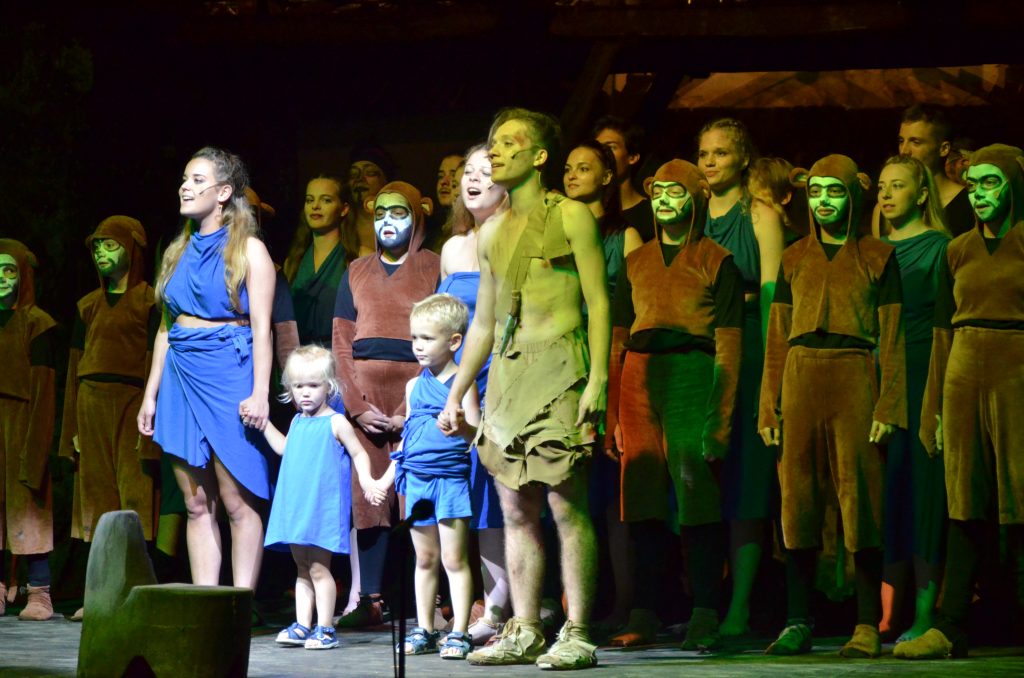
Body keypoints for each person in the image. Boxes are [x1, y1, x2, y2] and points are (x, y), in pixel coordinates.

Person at [440, 107, 610, 670]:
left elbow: (598, 301)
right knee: (515, 508)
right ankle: (527, 627)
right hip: (509, 374)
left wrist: (598, 378)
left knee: (566, 503)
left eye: (510, 143)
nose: (496, 151)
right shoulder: (491, 231)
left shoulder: (572, 216)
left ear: (539, 156)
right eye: (493, 143)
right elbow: (484, 325)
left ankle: (578, 631)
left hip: (561, 364)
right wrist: (457, 392)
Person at [759, 154, 906, 658]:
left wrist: (889, 404)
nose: (823, 200)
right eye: (816, 191)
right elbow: (777, 334)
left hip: (854, 373)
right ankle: (797, 620)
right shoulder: (794, 256)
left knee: (861, 497)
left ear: (853, 195)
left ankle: (865, 623)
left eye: (834, 191)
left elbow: (892, 336)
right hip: (800, 373)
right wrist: (768, 403)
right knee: (797, 501)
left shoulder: (877, 256)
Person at [606, 159, 743, 650]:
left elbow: (730, 344)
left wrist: (719, 419)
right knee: (642, 497)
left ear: (695, 198)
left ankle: (705, 611)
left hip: (692, 373)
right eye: (658, 192)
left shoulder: (716, 259)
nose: (664, 200)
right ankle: (645, 612)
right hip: (639, 377)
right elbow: (618, 339)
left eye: (675, 192)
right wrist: (612, 415)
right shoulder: (637, 259)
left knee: (696, 496)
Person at [895, 144, 1024, 659]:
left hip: (1016, 371)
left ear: (1014, 185)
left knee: (1020, 495)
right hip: (963, 372)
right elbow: (942, 333)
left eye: (991, 183)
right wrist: (934, 408)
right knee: (964, 499)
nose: (980, 194)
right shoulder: (959, 250)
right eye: (973, 185)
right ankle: (950, 625)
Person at [138, 146, 276, 591]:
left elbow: (263, 329)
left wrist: (260, 393)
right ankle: (206, 605)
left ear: (223, 192)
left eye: (197, 180)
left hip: (229, 373)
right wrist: (151, 394)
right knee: (196, 503)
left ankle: (239, 604)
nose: (185, 187)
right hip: (181, 376)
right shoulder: (176, 251)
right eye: (184, 178)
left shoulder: (249, 250)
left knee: (237, 501)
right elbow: (166, 328)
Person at [332, 180, 441, 627]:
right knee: (369, 499)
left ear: (417, 216)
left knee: (417, 495)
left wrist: (412, 407)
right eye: (380, 214)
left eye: (398, 213)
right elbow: (341, 343)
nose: (387, 222)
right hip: (366, 400)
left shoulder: (433, 266)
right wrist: (357, 406)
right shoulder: (356, 270)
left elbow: (444, 336)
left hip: (417, 395)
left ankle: (428, 601)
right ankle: (371, 599)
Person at [697, 118, 785, 637]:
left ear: (743, 158)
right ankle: (702, 600)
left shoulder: (760, 214)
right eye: (704, 153)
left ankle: (742, 604)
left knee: (747, 481)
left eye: (721, 153)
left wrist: (773, 367)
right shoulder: (693, 211)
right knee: (702, 479)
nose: (710, 162)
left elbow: (772, 292)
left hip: (749, 344)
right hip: (700, 346)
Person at [59, 216, 161, 620]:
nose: (101, 253)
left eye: (111, 245)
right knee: (97, 499)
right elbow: (73, 368)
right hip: (91, 402)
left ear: (132, 249)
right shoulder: (87, 305)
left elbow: (155, 362)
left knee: (134, 497)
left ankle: (135, 592)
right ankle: (100, 594)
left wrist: (151, 428)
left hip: (132, 402)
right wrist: (70, 430)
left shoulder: (149, 301)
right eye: (97, 246)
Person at [375, 294, 480, 659]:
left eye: (427, 338)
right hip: (418, 482)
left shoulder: (462, 385)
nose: (418, 346)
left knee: (454, 559)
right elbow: (408, 440)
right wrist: (385, 480)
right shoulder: (413, 386)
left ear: (454, 341)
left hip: (450, 481)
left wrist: (461, 426)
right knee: (424, 559)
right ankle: (425, 628)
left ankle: (460, 631)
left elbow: (477, 434)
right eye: (415, 338)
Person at [563, 138, 640, 632]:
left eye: (584, 168)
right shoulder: (556, 231)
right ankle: (574, 608)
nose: (572, 175)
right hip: (563, 358)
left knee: (613, 494)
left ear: (608, 176)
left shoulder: (624, 234)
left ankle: (625, 604)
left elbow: (632, 308)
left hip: (610, 357)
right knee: (568, 490)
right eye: (568, 168)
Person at [873, 156, 951, 642]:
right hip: (878, 374)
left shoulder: (939, 248)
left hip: (923, 370)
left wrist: (939, 400)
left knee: (924, 493)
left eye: (897, 186)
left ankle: (925, 613)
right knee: (887, 492)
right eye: (881, 186)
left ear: (921, 194)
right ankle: (884, 615)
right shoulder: (871, 249)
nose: (885, 194)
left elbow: (945, 324)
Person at [262, 345, 383, 650]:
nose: (305, 393)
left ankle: (325, 627)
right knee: (302, 568)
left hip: (321, 507)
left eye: (313, 386)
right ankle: (303, 625)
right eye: (298, 386)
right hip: (296, 505)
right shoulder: (297, 421)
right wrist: (263, 424)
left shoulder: (336, 422)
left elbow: (359, 453)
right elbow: (284, 448)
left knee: (318, 567)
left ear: (328, 387)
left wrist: (367, 480)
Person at [437, 143, 511, 645]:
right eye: (469, 171)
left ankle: (508, 606)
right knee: (472, 496)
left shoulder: (516, 237)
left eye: (487, 171)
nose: (474, 179)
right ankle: (489, 603)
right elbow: (444, 322)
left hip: (504, 375)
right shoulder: (453, 248)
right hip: (462, 383)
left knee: (504, 496)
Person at [0, 239, 58, 620]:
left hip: (22, 420)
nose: (1, 278)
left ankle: (39, 591)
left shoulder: (37, 323)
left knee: (29, 505)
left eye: (8, 270)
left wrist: (35, 445)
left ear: (23, 275)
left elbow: (44, 389)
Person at [872, 105, 973, 237]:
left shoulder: (969, 205)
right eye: (901, 141)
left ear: (943, 149)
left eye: (916, 142)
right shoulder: (885, 209)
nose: (904, 151)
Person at [282, 175, 357, 347]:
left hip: (341, 353)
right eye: (310, 200)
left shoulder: (357, 258)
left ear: (344, 209)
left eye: (326, 200)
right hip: (300, 355)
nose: (315, 206)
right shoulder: (293, 262)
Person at [593, 115, 654, 242]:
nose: (602, 154)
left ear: (632, 157)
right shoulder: (585, 210)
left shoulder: (651, 214)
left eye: (611, 147)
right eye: (597, 148)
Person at [348, 144, 397, 258]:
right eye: (353, 174)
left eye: (370, 173)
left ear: (385, 181)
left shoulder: (401, 225)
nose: (359, 179)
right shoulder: (340, 227)